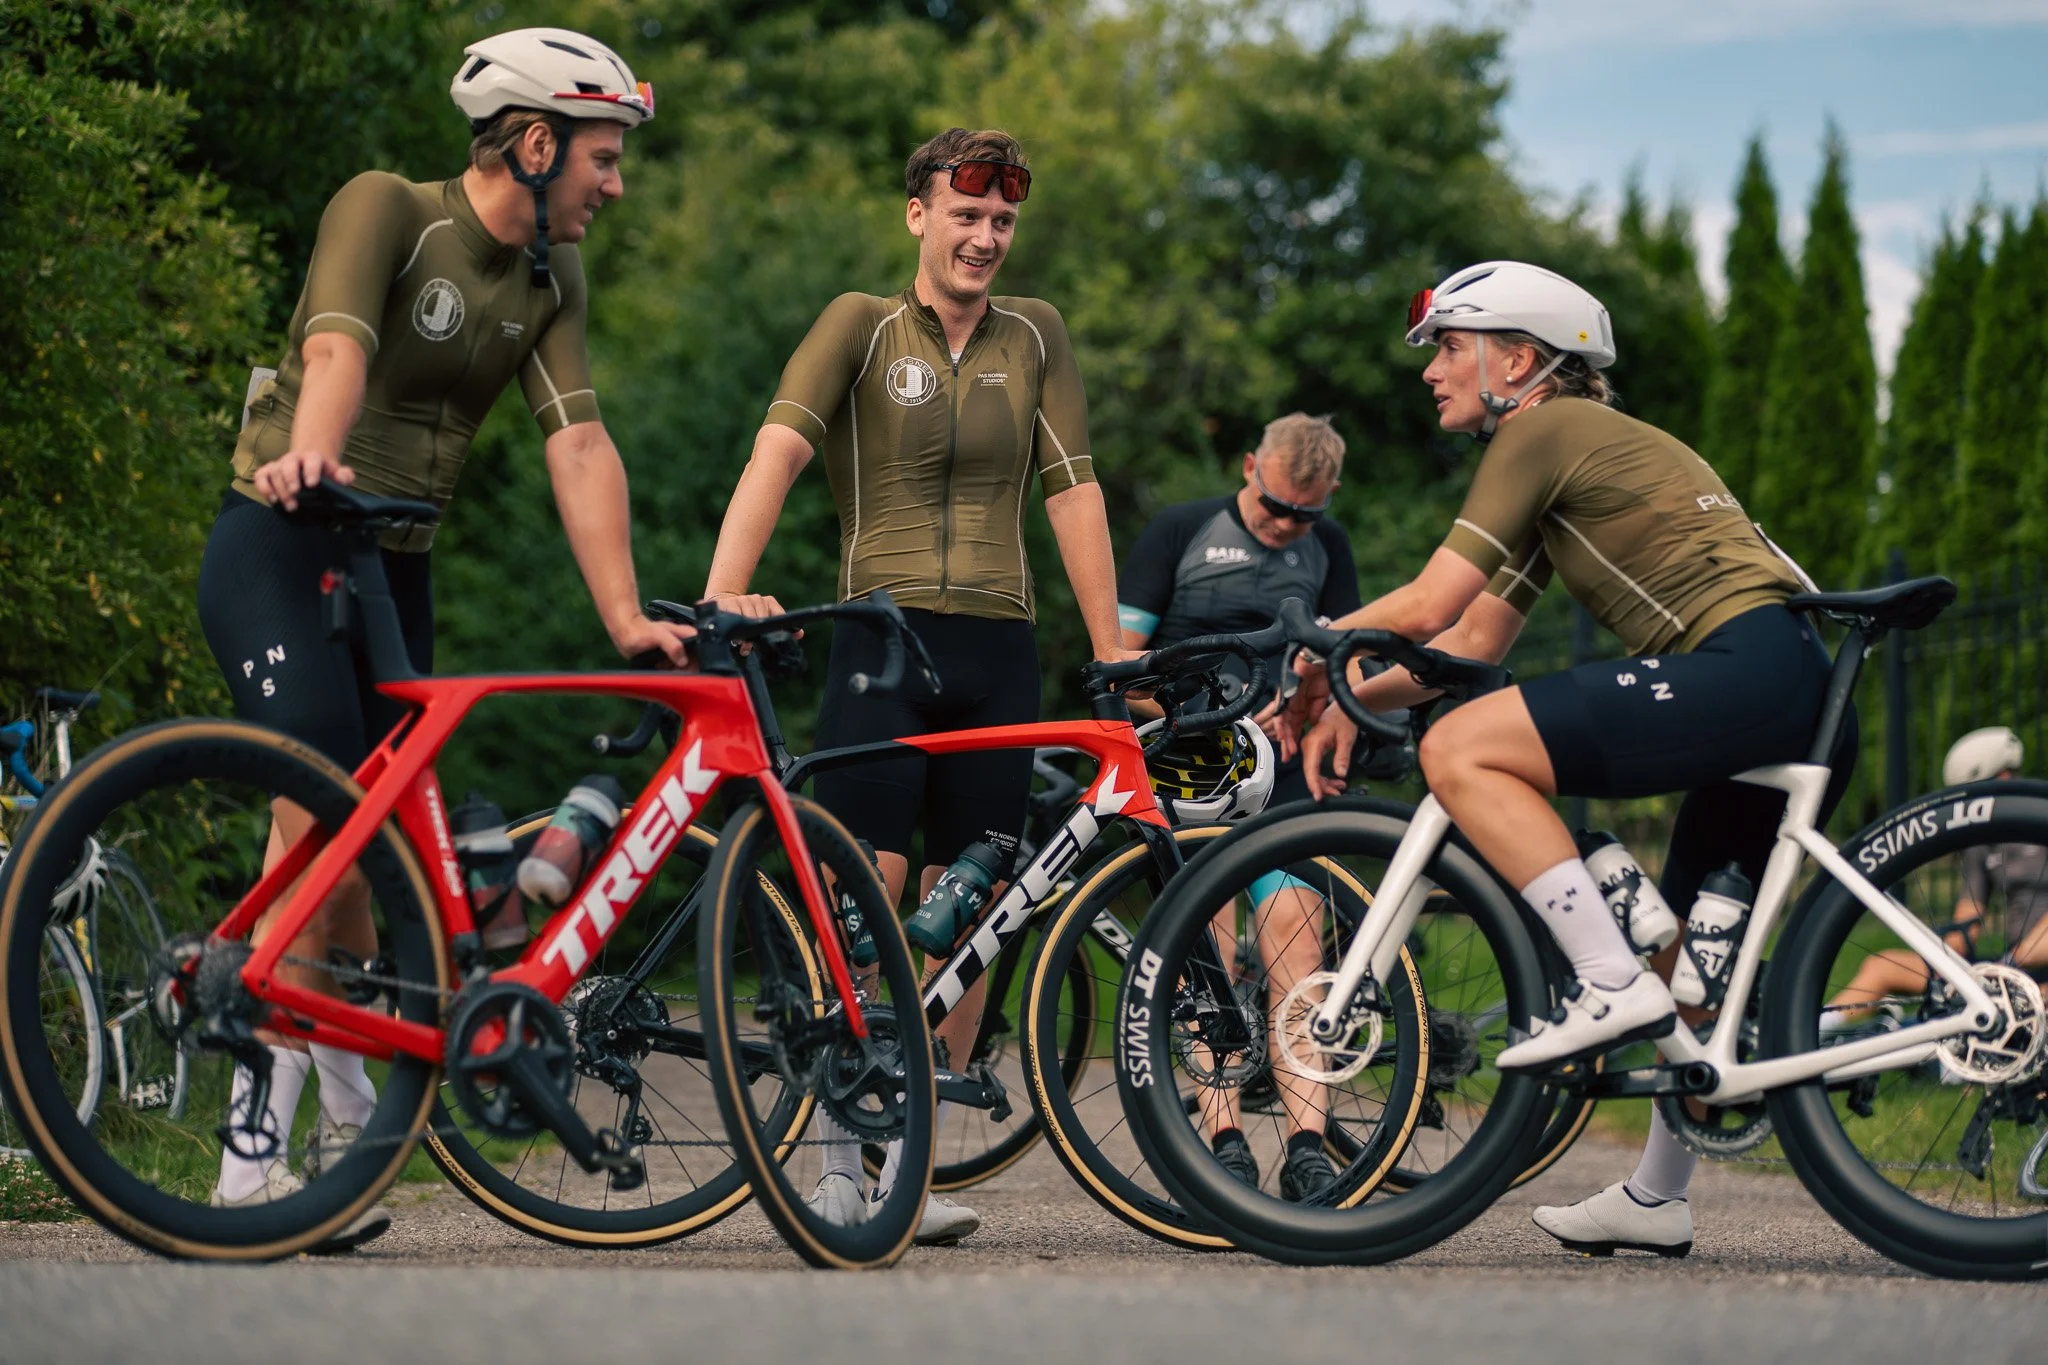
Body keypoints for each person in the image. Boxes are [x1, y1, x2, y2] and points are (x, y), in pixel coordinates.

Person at [197, 28, 687, 1250]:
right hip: (285, 538)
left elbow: (576, 441)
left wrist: (624, 617)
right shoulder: (390, 210)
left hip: (388, 573)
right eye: (601, 156)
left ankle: (352, 1106)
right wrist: (313, 452)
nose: (614, 184)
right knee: (315, 815)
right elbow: (336, 349)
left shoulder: (549, 282)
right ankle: (251, 1133)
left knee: (375, 850)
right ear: (532, 145)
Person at [1273, 259, 1852, 1257]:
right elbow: (1467, 647)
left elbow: (1423, 604)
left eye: (1449, 347)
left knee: (1461, 748)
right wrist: (1349, 692)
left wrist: (1308, 660)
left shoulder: (1539, 430)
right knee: (1685, 980)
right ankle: (1656, 1195)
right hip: (1785, 682)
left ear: (1518, 358)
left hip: (1743, 667)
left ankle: (1599, 976)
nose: (1430, 371)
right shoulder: (1571, 449)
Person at [700, 128, 1133, 1244]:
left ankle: (910, 1163)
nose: (984, 237)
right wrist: (722, 594)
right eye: (965, 216)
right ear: (916, 216)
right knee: (868, 879)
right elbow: (778, 451)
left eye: (1000, 223)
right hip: (881, 638)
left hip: (999, 645)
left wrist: (1111, 653)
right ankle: (839, 1162)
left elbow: (1072, 492)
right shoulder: (860, 322)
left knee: (973, 901)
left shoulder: (1034, 334)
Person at [1117, 413, 1361, 1200]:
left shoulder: (1329, 548)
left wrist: (1321, 723)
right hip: (1190, 758)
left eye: (1304, 516)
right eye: (1275, 507)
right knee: (1208, 934)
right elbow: (1120, 667)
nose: (1287, 525)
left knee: (1296, 931)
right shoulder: (1181, 529)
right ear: (1250, 466)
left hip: (1281, 760)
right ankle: (1221, 1132)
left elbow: (1348, 669)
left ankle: (1308, 1146)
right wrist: (1194, 716)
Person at [1822, 726, 2048, 1037]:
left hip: (2028, 967)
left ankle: (1917, 1041)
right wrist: (1945, 957)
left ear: (2003, 779)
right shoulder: (1982, 844)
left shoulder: (2040, 820)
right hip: (2007, 971)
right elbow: (1965, 925)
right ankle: (1814, 1032)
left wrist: (2021, 957)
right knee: (1882, 965)